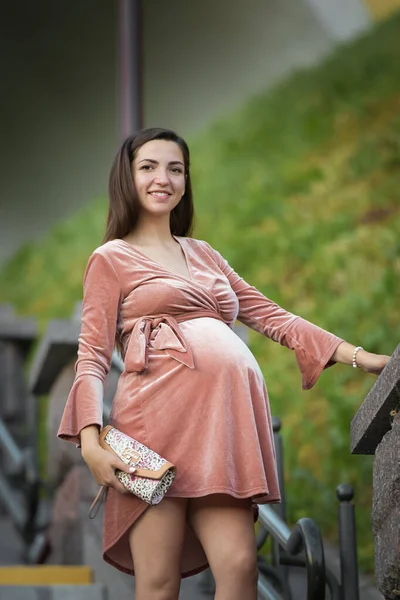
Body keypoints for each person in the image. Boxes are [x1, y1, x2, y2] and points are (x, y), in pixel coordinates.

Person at [58, 127, 390, 600]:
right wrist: (90, 441)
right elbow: (90, 356)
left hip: (222, 432)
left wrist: (362, 357)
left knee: (239, 567)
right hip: (154, 431)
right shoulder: (110, 258)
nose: (163, 178)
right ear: (126, 179)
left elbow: (272, 316)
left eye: (175, 169)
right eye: (148, 167)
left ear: (186, 181)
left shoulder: (204, 254)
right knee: (158, 581)